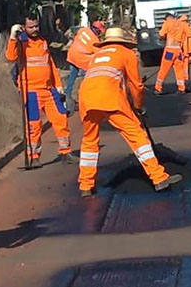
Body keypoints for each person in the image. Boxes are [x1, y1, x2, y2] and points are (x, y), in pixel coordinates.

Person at [77, 27, 182, 197]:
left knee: (89, 142)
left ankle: (85, 185)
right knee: (137, 135)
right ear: (123, 41)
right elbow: (136, 85)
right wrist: (139, 106)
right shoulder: (127, 54)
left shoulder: (97, 55)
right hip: (109, 99)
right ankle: (159, 178)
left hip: (86, 99)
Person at [6, 15, 76, 168]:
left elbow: (50, 64)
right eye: (31, 27)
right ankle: (34, 156)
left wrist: (58, 84)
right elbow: (10, 57)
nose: (35, 29)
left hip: (49, 90)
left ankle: (66, 151)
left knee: (61, 119)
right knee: (34, 125)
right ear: (24, 27)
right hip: (30, 91)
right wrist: (13, 36)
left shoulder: (43, 42)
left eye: (36, 26)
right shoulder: (21, 42)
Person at [64, 20, 106, 111]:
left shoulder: (83, 30)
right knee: (86, 80)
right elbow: (99, 54)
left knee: (72, 77)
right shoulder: (94, 40)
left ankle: (67, 94)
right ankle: (84, 98)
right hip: (81, 61)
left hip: (72, 55)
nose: (100, 33)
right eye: (99, 31)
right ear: (95, 29)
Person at [155, 12, 191, 94]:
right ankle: (182, 88)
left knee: (164, 69)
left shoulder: (167, 23)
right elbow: (189, 34)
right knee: (179, 69)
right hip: (178, 50)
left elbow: (161, 34)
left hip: (169, 50)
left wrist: (164, 37)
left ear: (167, 18)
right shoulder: (182, 24)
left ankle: (158, 88)